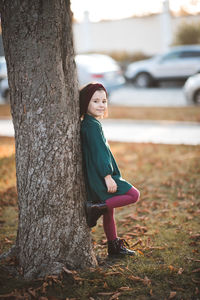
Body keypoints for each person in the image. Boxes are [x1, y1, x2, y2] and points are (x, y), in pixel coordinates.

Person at [80, 83, 140, 257]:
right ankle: (96, 208)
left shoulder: (90, 123)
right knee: (133, 195)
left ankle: (114, 247)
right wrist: (107, 176)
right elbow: (99, 153)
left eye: (104, 101)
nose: (101, 105)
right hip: (101, 176)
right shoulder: (92, 126)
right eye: (95, 101)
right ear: (86, 103)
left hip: (95, 175)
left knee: (110, 211)